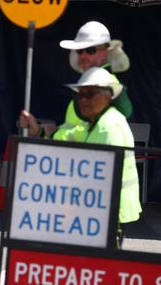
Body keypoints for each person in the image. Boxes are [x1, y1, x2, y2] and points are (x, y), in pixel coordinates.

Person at [20, 67, 142, 246]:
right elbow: (68, 139)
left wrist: (70, 207)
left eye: (90, 94)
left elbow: (99, 177)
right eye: (80, 95)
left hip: (109, 212)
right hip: (99, 211)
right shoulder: (93, 123)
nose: (83, 100)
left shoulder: (107, 126)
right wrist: (38, 131)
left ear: (108, 97)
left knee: (101, 266)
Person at [37, 21, 133, 140]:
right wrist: (44, 133)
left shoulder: (108, 84)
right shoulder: (89, 85)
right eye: (79, 51)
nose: (83, 56)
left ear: (105, 52)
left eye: (90, 50)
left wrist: (46, 134)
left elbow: (88, 132)